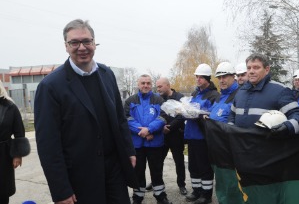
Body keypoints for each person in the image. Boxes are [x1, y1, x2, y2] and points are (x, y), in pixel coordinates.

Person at [34, 19, 138, 204]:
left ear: (94, 43)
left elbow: (120, 119)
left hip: (114, 171)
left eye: (87, 41)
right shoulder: (50, 86)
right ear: (66, 46)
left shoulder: (107, 74)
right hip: (80, 178)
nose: (82, 47)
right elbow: (48, 145)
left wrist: (129, 151)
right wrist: (61, 190)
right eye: (75, 42)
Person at [124, 74, 172, 204]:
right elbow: (127, 119)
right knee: (138, 172)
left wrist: (149, 129)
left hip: (155, 143)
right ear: (138, 84)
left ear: (151, 85)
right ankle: (138, 196)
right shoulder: (130, 101)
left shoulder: (159, 100)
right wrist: (144, 132)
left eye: (148, 83)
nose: (145, 85)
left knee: (157, 171)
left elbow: (162, 118)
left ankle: (161, 196)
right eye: (143, 83)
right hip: (137, 144)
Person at [229, 53, 299, 140]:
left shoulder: (281, 91)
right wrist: (230, 129)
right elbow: (232, 115)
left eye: (256, 67)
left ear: (267, 70)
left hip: (267, 150)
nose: (251, 71)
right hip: (240, 148)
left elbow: (296, 114)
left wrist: (287, 127)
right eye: (249, 68)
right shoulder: (240, 92)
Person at [205, 62, 243, 204]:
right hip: (217, 150)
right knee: (221, 187)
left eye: (225, 76)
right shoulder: (220, 97)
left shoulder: (239, 96)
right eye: (219, 77)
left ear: (233, 76)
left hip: (230, 152)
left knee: (232, 188)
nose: (221, 80)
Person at [184, 64, 219, 204]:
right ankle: (196, 191)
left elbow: (211, 115)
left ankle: (206, 195)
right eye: (196, 77)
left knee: (204, 167)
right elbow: (189, 110)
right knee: (193, 166)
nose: (197, 79)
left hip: (203, 136)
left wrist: (197, 114)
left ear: (207, 78)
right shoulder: (194, 93)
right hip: (191, 135)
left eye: (200, 77)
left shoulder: (214, 95)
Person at [0, 80, 30, 204]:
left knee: (2, 191)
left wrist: (17, 154)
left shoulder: (10, 106)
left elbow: (19, 131)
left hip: (3, 155)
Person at [155, 77, 187, 195]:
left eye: (160, 86)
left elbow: (182, 115)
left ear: (168, 85)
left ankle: (181, 185)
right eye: (157, 87)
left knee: (179, 161)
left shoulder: (180, 98)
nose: (158, 89)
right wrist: (161, 127)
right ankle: (156, 182)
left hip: (176, 135)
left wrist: (170, 127)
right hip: (162, 135)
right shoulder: (157, 99)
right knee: (158, 161)